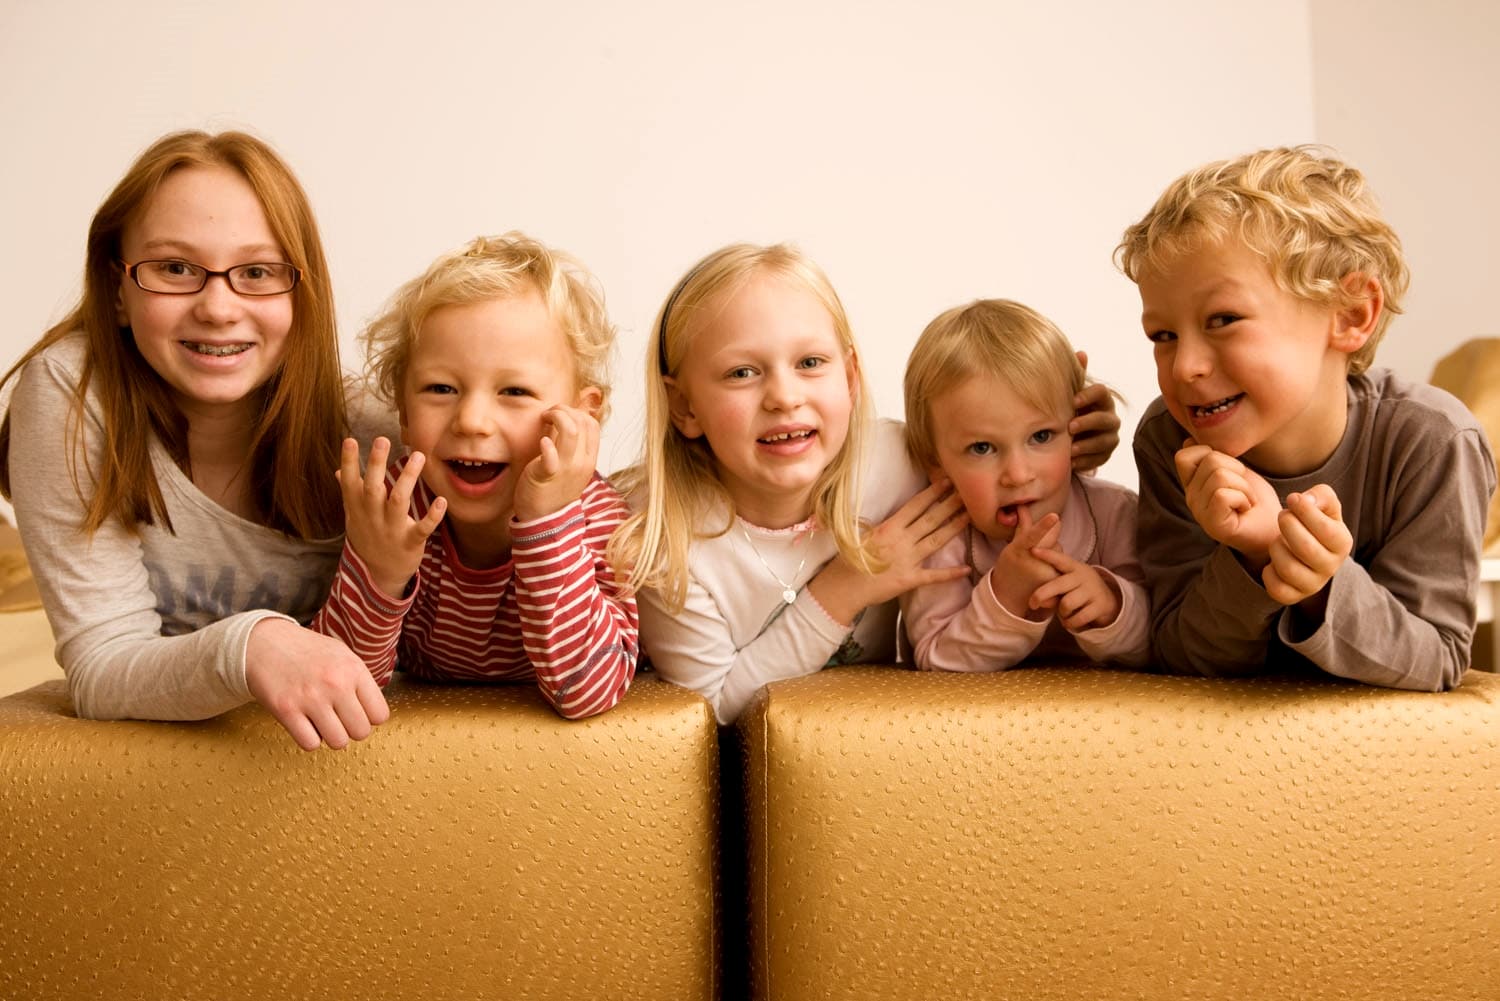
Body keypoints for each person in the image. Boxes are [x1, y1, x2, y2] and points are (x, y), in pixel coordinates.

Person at [609, 243, 1122, 724]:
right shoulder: (660, 533)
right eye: (742, 373)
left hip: (847, 753)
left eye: (810, 363)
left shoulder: (894, 465)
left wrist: (1079, 441)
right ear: (684, 407)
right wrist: (846, 587)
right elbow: (713, 706)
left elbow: (1001, 465)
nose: (784, 397)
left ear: (850, 379)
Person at [0, 129, 389, 750]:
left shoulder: (366, 428)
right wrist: (253, 644)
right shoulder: (70, 394)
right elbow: (101, 664)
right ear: (119, 290)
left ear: (302, 292)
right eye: (175, 268)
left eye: (257, 271)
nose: (217, 306)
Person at [1118, 145, 1497, 690]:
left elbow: (1435, 660)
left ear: (1350, 315)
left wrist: (1317, 580)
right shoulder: (1168, 440)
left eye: (1223, 319)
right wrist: (1250, 558)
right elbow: (1183, 654)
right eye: (1163, 335)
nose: (1186, 367)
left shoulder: (1432, 440)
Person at [312, 234, 637, 719]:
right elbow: (338, 685)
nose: (472, 421)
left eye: (514, 391)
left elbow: (587, 692)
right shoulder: (399, 504)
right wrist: (380, 572)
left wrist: (546, 521)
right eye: (441, 388)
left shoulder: (594, 514)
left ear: (582, 417)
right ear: (403, 413)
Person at [900, 299, 1149, 671]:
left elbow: (1163, 640)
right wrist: (1007, 594)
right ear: (936, 463)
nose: (1017, 474)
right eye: (982, 448)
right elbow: (936, 661)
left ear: (1076, 428)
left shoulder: (1115, 514)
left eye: (1041, 436)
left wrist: (1113, 605)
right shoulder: (939, 541)